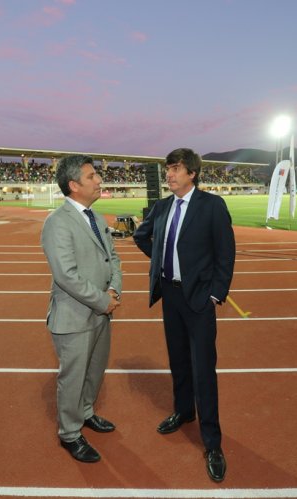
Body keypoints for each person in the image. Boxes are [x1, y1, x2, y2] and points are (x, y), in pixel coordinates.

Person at [133, 147, 235, 482]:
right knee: (178, 361)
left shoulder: (212, 206)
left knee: (203, 369)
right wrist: (160, 264)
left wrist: (215, 292)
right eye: (168, 169)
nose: (170, 174)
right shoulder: (162, 207)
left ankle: (213, 443)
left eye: (176, 168)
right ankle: (182, 412)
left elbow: (225, 253)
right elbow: (141, 235)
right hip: (171, 296)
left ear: (192, 173)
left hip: (199, 300)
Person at [40, 155, 122, 463]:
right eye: (91, 177)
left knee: (94, 370)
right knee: (73, 377)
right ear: (74, 185)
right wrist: (104, 301)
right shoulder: (57, 223)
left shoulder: (97, 218)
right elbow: (66, 275)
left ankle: (86, 412)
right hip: (75, 317)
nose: (99, 180)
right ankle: (70, 433)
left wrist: (114, 289)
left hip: (101, 311)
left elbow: (112, 259)